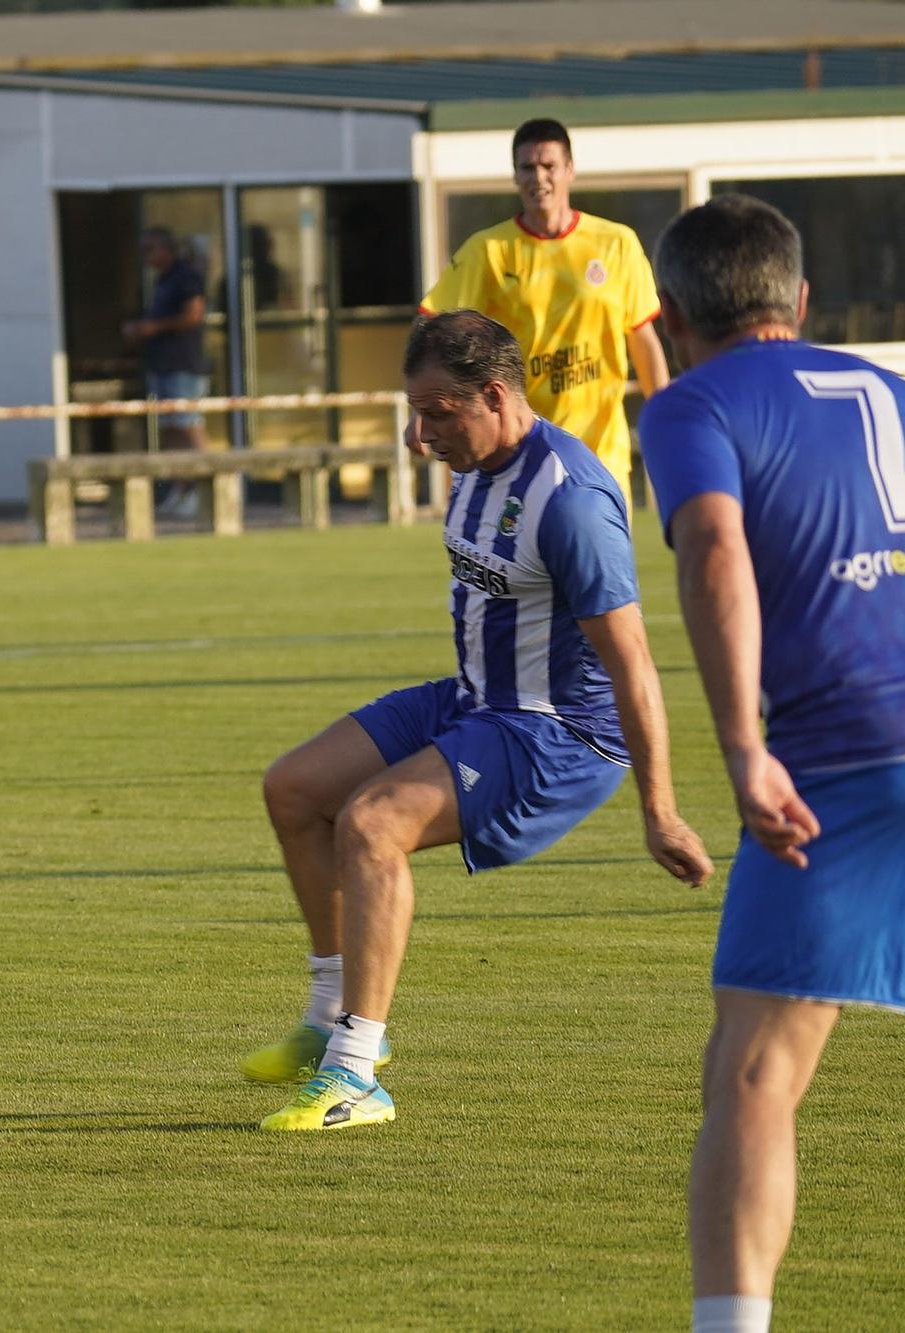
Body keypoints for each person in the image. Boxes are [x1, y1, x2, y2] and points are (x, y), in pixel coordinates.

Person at [637, 195, 905, 1333]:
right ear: (800, 301)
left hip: (853, 746)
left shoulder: (688, 403)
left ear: (670, 313)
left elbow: (717, 546)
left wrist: (743, 746)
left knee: (753, 1070)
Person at [245, 311, 711, 1132]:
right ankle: (328, 1018)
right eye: (413, 412)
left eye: (437, 413)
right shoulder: (474, 459)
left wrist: (660, 808)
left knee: (372, 824)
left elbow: (634, 660)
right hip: (477, 693)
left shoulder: (570, 501)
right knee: (293, 788)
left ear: (494, 396)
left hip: (556, 731)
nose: (419, 435)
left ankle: (356, 1073)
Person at [418, 118, 669, 502]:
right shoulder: (489, 251)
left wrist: (668, 416)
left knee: (599, 563)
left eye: (549, 166)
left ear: (569, 170)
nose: (539, 177)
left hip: (601, 459)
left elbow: (642, 339)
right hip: (520, 456)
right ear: (515, 176)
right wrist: (421, 410)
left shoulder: (616, 244)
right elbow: (432, 327)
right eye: (527, 168)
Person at [121, 227, 208, 518]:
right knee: (170, 429)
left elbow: (194, 314)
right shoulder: (162, 280)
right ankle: (182, 489)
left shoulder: (185, 275)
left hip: (183, 365)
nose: (145, 257)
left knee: (188, 425)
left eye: (150, 249)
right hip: (162, 365)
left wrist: (152, 327)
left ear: (166, 249)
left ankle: (206, 490)